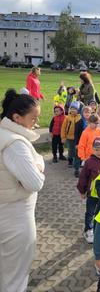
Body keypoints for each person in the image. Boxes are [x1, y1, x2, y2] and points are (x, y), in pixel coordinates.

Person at [0, 89, 45, 292]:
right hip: (15, 218)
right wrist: (40, 164)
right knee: (15, 275)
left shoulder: (5, 134)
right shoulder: (16, 144)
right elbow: (35, 183)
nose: (36, 123)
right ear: (16, 117)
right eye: (33, 118)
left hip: (7, 212)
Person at [77, 138, 100, 244]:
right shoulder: (89, 162)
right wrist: (82, 190)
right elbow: (83, 177)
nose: (99, 152)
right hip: (92, 194)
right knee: (90, 213)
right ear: (93, 150)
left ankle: (99, 230)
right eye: (97, 150)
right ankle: (88, 230)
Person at [61, 101, 81, 167]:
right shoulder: (67, 118)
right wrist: (63, 137)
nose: (73, 110)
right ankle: (70, 160)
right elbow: (63, 128)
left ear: (78, 110)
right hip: (69, 137)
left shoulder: (80, 117)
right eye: (72, 109)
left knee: (77, 149)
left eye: (75, 109)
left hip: (78, 137)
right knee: (71, 149)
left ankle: (77, 160)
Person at [74, 105, 92, 177]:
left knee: (87, 156)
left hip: (88, 143)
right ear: (82, 113)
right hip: (80, 143)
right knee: (78, 156)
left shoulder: (92, 123)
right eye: (85, 112)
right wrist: (76, 143)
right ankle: (76, 170)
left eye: (89, 112)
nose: (87, 114)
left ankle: (86, 170)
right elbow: (76, 134)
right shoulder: (79, 122)